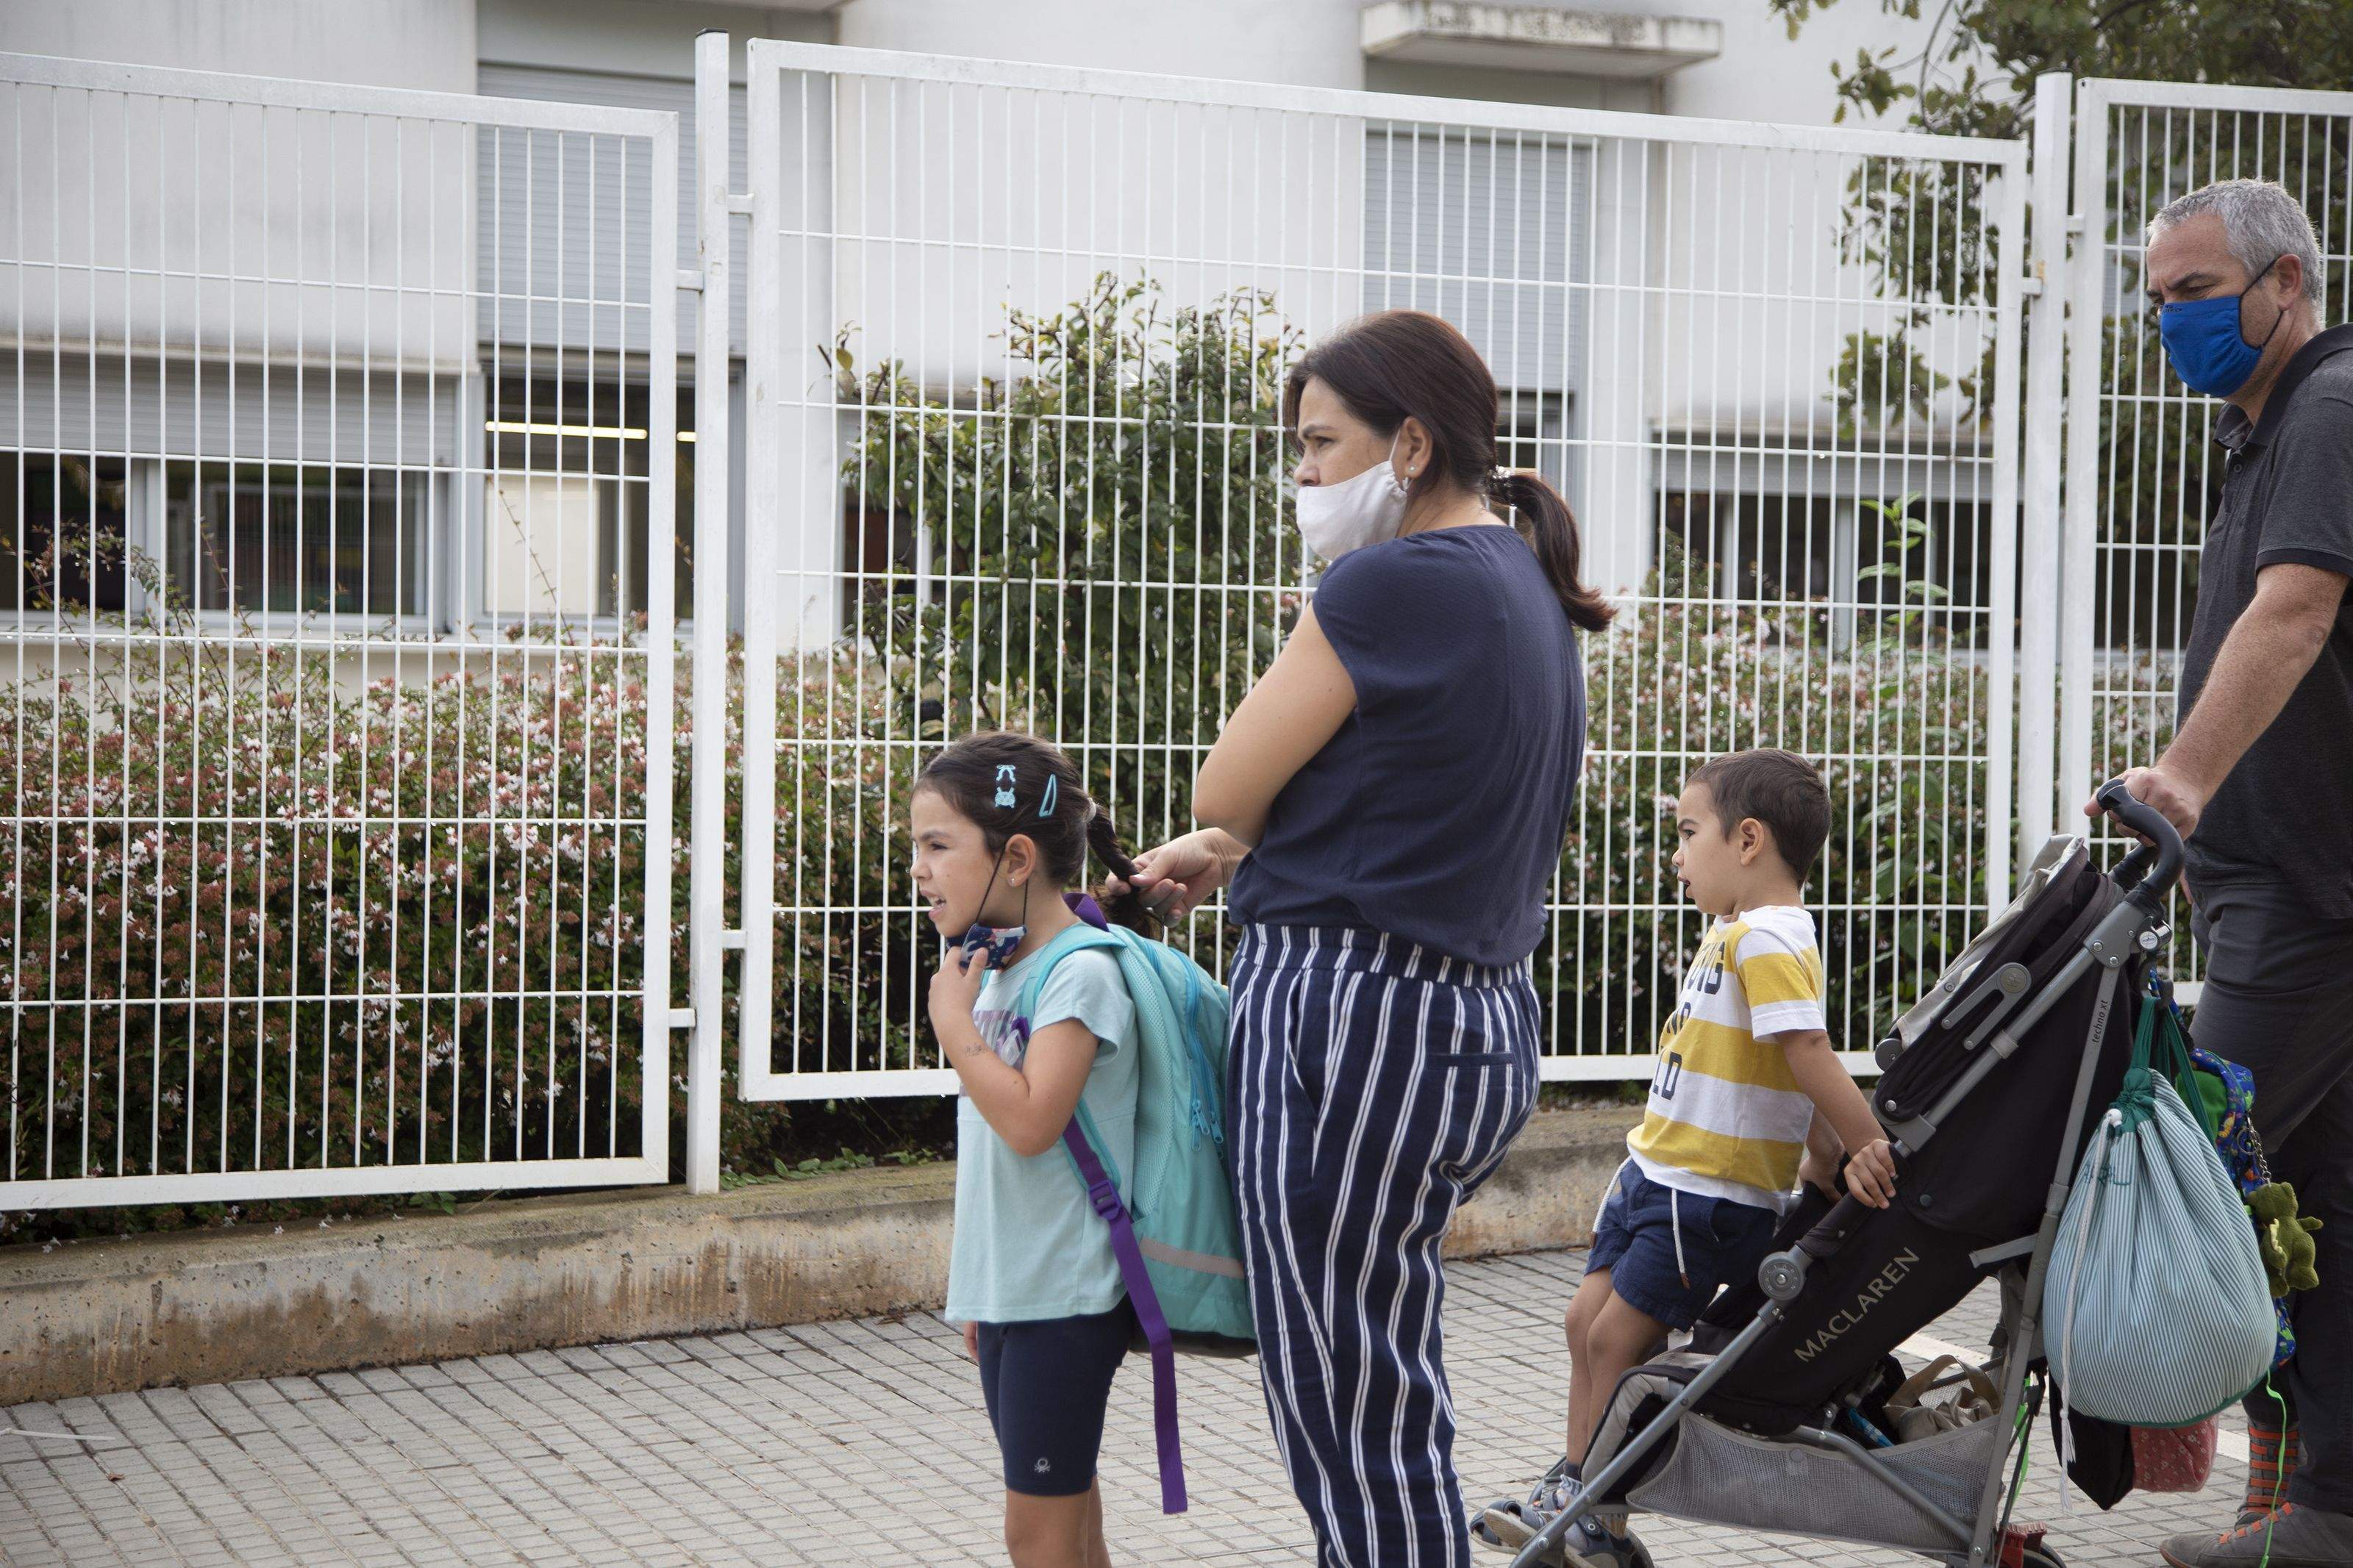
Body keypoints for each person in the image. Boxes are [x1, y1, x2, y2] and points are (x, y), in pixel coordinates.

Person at [1120, 309, 1610, 1567]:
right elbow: (1407, 796)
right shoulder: (1519, 580)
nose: (1304, 475)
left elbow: (1226, 786)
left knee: (1348, 1396)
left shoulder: (1389, 582)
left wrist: (1311, 634)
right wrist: (1228, 859)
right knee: (1381, 1367)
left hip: (1353, 1014)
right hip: (1465, 1014)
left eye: (1319, 445)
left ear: (1410, 442)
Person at [2085, 179, 2353, 1568]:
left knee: (2193, 1166)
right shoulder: (2260, 435)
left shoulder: (2330, 406)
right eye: (2157, 298)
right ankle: (2320, 1504)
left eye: (2193, 290)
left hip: (2311, 897)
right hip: (2278, 883)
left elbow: (2297, 608)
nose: (2169, 318)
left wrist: (2182, 781)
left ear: (2286, 281)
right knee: (2318, 1190)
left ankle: (2237, 1459)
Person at [1476, 749, 1899, 1567]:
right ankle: (1573, 1482)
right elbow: (1776, 1070)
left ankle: (1600, 1510)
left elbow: (1805, 1049)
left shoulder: (1772, 936)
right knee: (1580, 1326)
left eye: (1686, 832)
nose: (1674, 852)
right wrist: (1817, 1154)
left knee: (1616, 1346)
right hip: (1652, 1176)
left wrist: (1861, 1141)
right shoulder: (1733, 932)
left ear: (1747, 841)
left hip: (1704, 1198)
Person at [918, 731, 1156, 1568]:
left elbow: (1029, 1122)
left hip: (1066, 1297)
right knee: (1068, 1524)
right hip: (1017, 1295)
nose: (919, 867)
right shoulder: (1004, 973)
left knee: (1037, 1537)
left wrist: (952, 1024)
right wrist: (983, 1288)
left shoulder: (1078, 973)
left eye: (937, 845)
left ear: (1015, 857)